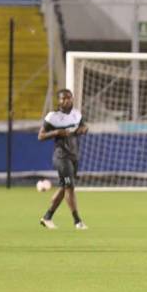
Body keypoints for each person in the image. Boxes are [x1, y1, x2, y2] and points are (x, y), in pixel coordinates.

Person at [38, 89, 88, 230]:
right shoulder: (52, 117)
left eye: (69, 98)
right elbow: (40, 136)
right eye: (64, 99)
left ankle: (47, 217)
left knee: (64, 187)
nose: (67, 101)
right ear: (59, 101)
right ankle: (77, 221)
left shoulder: (76, 114)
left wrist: (84, 129)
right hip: (61, 156)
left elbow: (82, 127)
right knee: (70, 188)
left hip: (73, 156)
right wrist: (57, 132)